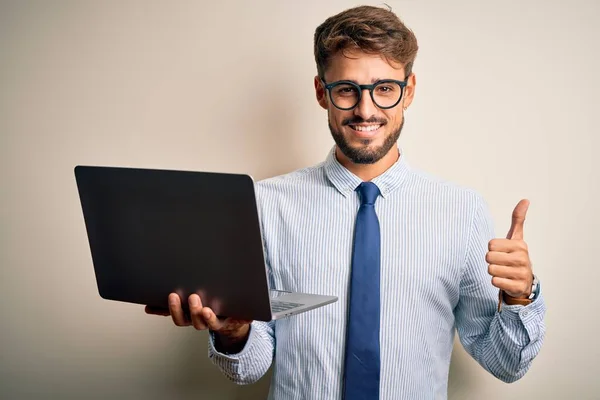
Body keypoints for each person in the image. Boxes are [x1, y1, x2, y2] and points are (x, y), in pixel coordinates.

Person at [146, 5, 546, 399]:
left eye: (384, 89)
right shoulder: (264, 205)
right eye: (346, 90)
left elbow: (506, 364)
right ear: (322, 92)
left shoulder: (462, 211)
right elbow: (248, 368)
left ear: (409, 92)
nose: (366, 109)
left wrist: (519, 297)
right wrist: (233, 333)